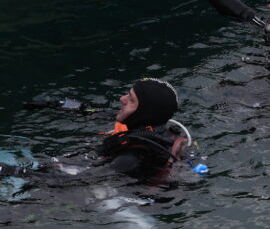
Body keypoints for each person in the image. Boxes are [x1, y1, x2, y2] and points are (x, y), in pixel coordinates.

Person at [0, 78, 197, 182]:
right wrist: (58, 104)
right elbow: (92, 112)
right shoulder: (147, 123)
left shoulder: (135, 155)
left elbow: (81, 180)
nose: (122, 99)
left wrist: (13, 171)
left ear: (144, 111)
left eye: (131, 100)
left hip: (109, 191)